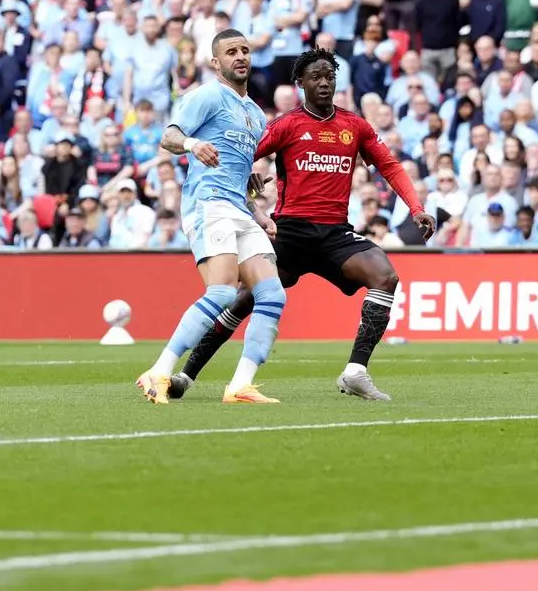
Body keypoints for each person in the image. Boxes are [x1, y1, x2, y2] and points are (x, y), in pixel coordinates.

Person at [169, 48, 435, 402]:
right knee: (244, 299)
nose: (324, 83)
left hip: (334, 233)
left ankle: (356, 372)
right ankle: (186, 374)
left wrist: (415, 207)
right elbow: (241, 155)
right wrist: (247, 176)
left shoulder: (354, 126)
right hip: (290, 231)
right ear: (301, 84)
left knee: (386, 277)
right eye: (316, 77)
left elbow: (390, 166)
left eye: (329, 77)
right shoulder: (287, 124)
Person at [136, 29, 286, 406]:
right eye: (231, 52)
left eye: (245, 51)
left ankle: (239, 386)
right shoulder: (206, 95)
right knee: (220, 292)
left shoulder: (254, 113)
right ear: (215, 63)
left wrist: (256, 206)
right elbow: (169, 136)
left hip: (238, 208)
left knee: (272, 293)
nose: (241, 57)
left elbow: (236, 172)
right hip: (208, 204)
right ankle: (158, 371)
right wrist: (192, 144)